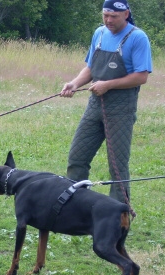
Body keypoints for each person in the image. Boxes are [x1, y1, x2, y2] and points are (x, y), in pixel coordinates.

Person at [60, 0, 152, 204]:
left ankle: (120, 212)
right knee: (77, 157)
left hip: (121, 109)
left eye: (114, 16)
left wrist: (108, 84)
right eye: (105, 15)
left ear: (126, 14)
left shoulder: (137, 37)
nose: (109, 20)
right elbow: (90, 68)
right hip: (94, 106)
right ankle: (76, 206)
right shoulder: (99, 33)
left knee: (117, 166)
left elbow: (141, 76)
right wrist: (74, 84)